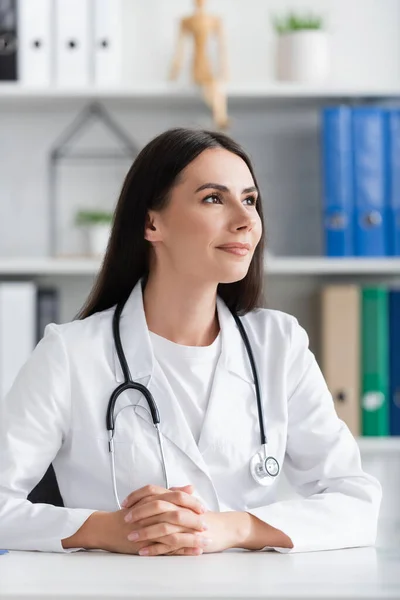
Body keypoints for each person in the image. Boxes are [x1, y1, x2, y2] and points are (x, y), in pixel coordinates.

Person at [0, 128, 381, 557]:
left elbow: (358, 502)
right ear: (151, 222)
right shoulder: (70, 354)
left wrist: (234, 528)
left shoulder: (279, 344)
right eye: (214, 198)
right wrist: (104, 529)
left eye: (250, 200)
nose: (245, 220)